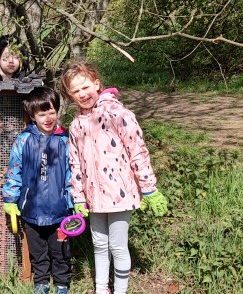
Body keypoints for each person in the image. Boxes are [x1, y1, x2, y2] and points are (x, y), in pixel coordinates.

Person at [59, 60, 169, 294]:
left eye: (85, 87)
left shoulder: (117, 113)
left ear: (97, 84)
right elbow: (75, 163)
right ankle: (101, 289)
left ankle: (120, 290)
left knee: (117, 245)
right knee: (99, 244)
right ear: (70, 96)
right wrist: (78, 197)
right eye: (75, 91)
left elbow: (137, 150)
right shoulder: (76, 124)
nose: (82, 94)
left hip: (120, 193)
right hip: (94, 197)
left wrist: (148, 188)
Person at [1, 87, 73, 294]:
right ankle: (41, 281)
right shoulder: (23, 141)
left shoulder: (65, 140)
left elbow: (72, 173)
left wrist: (74, 202)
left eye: (52, 112)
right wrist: (10, 199)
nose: (48, 118)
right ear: (33, 116)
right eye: (42, 114)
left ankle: (61, 283)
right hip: (31, 210)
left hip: (60, 211)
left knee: (60, 251)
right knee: (38, 251)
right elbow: (14, 171)